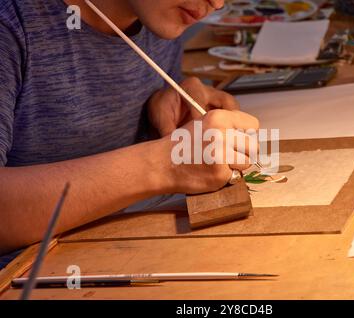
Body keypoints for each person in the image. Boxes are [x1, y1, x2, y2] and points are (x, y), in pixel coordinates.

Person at [0, 0, 259, 257]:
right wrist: (163, 164)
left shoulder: (160, 16)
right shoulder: (12, 22)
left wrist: (158, 107)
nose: (216, 3)